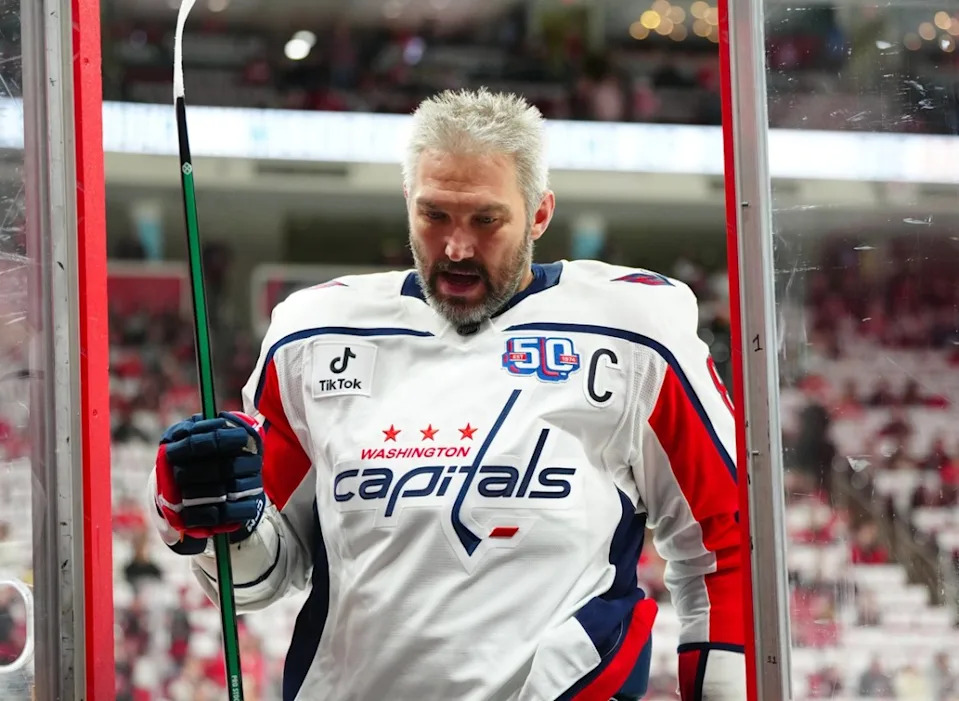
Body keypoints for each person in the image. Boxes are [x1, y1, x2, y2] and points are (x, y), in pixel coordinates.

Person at [148, 88, 745, 700]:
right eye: (434, 216)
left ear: (540, 214)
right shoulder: (312, 334)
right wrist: (214, 511)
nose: (457, 248)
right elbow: (255, 579)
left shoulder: (634, 330)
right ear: (407, 201)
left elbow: (725, 542)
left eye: (486, 220)